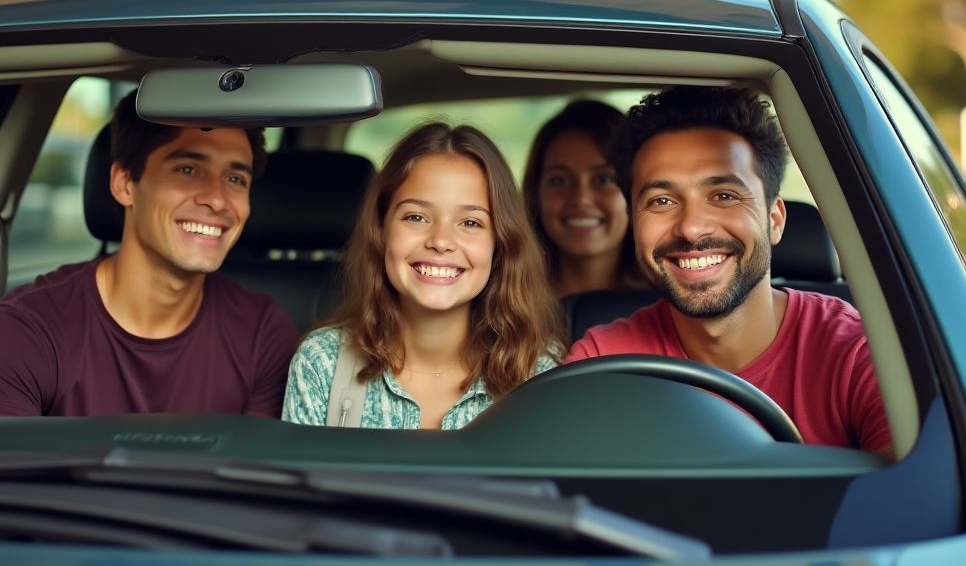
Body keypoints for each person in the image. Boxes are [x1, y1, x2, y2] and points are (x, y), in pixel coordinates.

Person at [564, 85, 893, 456]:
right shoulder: (601, 363)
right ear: (633, 224)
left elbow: (914, 497)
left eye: (724, 196)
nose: (691, 228)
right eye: (661, 201)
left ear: (774, 220)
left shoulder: (855, 352)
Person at [0, 90, 297, 416]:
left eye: (235, 178)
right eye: (188, 169)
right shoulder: (27, 330)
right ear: (125, 183)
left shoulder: (263, 334)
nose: (217, 199)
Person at [283, 121, 564, 429]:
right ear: (381, 230)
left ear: (500, 243)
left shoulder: (538, 373)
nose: (441, 241)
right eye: (416, 217)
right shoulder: (323, 363)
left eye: (470, 223)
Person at [523, 100, 644, 297]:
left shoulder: (673, 308)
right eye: (559, 180)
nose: (581, 198)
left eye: (604, 179)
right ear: (536, 193)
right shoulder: (504, 308)